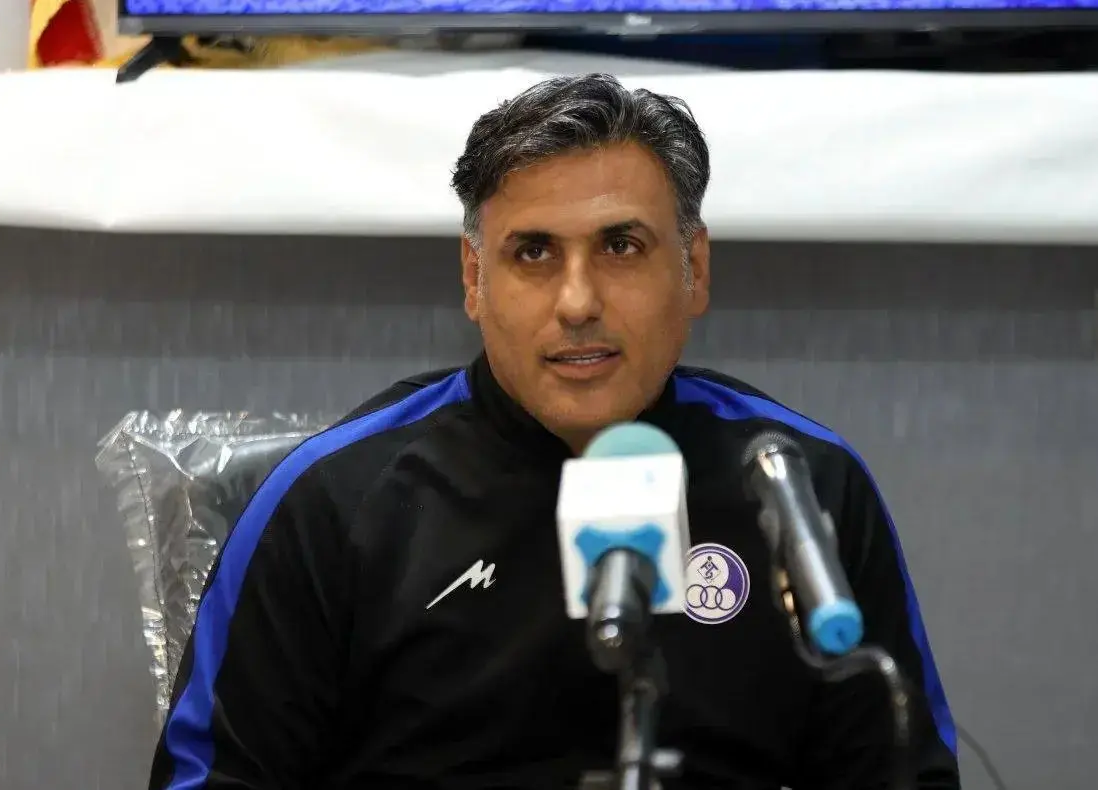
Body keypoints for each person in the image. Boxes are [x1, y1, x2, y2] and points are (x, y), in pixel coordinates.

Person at [148, 74, 961, 790]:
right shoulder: (333, 502)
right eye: (534, 253)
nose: (578, 303)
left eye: (621, 246)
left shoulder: (799, 485)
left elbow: (901, 772)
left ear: (695, 270)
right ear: (474, 279)